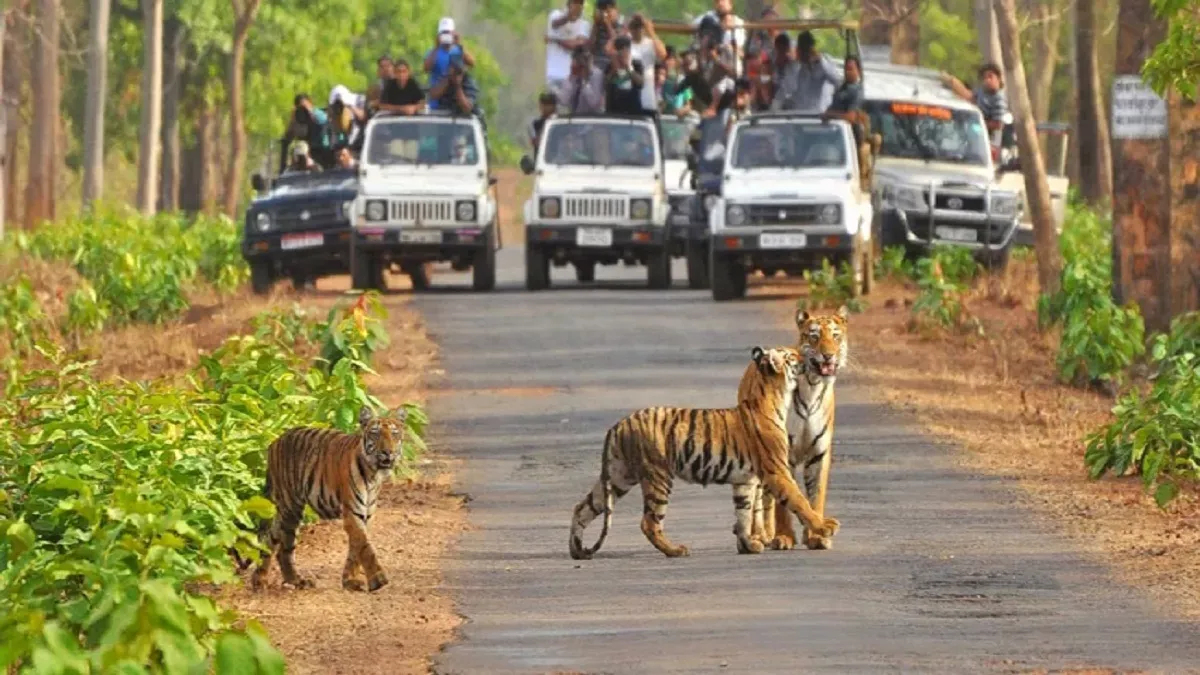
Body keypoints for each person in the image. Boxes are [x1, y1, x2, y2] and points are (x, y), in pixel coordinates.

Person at [821, 57, 872, 184]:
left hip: (848, 139)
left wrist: (831, 115)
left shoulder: (856, 91)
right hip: (832, 136)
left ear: (858, 71)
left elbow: (850, 117)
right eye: (846, 69)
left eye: (851, 69)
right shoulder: (842, 88)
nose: (847, 72)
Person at [770, 30, 841, 113]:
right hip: (800, 116)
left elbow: (837, 80)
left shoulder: (824, 63)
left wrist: (818, 60)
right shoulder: (796, 68)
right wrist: (774, 109)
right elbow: (785, 91)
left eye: (802, 49)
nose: (798, 52)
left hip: (820, 116)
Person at [424, 17, 476, 109]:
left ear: (453, 33)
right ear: (439, 35)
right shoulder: (433, 52)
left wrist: (459, 44)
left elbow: (472, 63)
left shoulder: (458, 50)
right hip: (436, 100)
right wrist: (436, 46)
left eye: (448, 33)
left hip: (457, 96)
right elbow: (426, 68)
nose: (446, 37)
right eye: (443, 33)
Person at [941, 63, 1009, 132]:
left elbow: (997, 124)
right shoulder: (982, 91)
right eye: (985, 78)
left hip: (983, 132)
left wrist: (976, 123)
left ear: (998, 79)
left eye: (990, 76)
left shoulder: (999, 99)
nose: (987, 80)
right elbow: (970, 96)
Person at [545, 0, 591, 97]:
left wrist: (555, 40)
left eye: (580, 3)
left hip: (572, 77)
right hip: (554, 74)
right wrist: (569, 17)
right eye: (575, 3)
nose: (578, 6)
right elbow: (555, 24)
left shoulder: (584, 24)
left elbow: (576, 45)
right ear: (568, 4)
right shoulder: (555, 15)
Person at [624, 14, 666, 114]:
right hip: (627, 97)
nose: (637, 29)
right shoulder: (626, 43)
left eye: (640, 26)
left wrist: (650, 30)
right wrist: (625, 28)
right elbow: (610, 49)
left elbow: (663, 54)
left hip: (647, 98)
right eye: (634, 26)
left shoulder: (650, 43)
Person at [691, 0, 746, 77]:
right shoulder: (709, 17)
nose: (720, 3)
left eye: (723, 1)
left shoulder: (738, 22)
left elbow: (738, 48)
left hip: (727, 61)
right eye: (717, 1)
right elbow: (693, 25)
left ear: (730, 4)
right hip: (711, 60)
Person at [279, 94, 330, 174]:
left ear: (311, 103)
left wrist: (311, 113)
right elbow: (287, 139)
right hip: (306, 156)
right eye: (300, 108)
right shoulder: (299, 119)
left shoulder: (319, 114)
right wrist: (293, 121)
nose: (303, 111)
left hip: (325, 152)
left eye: (305, 106)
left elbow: (325, 122)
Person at [605, 35, 647, 116]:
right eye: (619, 49)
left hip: (633, 110)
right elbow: (606, 84)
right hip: (614, 110)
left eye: (625, 49)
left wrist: (628, 67)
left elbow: (640, 83)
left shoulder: (636, 64)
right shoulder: (610, 65)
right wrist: (614, 70)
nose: (622, 52)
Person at [559, 46, 606, 114]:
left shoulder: (596, 74)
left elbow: (594, 103)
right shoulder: (573, 75)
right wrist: (572, 79)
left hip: (593, 117)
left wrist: (584, 81)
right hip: (575, 116)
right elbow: (564, 101)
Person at [589, 0, 624, 73]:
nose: (606, 14)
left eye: (609, 10)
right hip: (597, 66)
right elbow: (590, 46)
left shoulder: (621, 28)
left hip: (613, 69)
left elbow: (616, 42)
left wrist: (607, 23)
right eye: (603, 10)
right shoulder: (596, 27)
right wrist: (596, 24)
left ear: (617, 10)